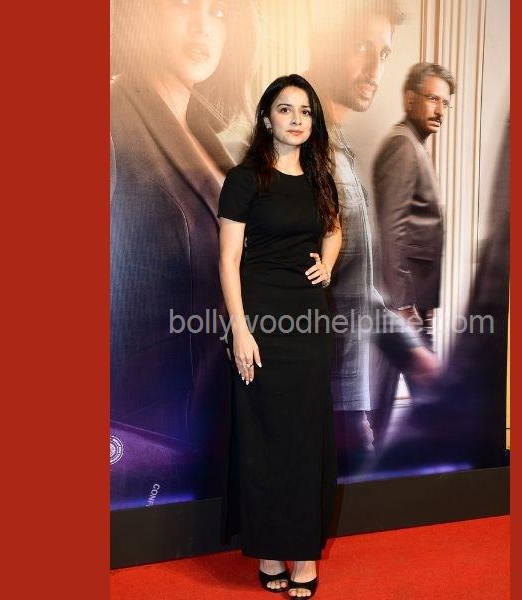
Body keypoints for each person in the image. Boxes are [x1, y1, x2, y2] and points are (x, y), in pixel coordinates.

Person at [109, 0, 257, 507]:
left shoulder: (209, 138)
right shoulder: (110, 118)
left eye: (219, 12)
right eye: (183, 4)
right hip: (144, 436)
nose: (202, 26)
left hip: (212, 423)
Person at [217, 74, 341, 599]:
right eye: (286, 109)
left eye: (305, 111)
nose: (296, 119)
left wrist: (327, 265)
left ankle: (305, 555)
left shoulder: (319, 179)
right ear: (267, 118)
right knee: (264, 437)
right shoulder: (245, 179)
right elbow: (228, 260)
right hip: (260, 323)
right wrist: (240, 330)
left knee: (306, 438)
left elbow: (334, 230)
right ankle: (269, 551)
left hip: (309, 324)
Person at [304, 0, 439, 464]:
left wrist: (412, 353)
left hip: (346, 402)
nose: (374, 69)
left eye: (383, 54)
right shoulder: (296, 145)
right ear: (324, 40)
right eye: (361, 46)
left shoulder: (334, 146)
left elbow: (353, 286)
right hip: (323, 410)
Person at [372, 62, 456, 403]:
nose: (440, 110)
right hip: (406, 306)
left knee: (413, 395)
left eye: (445, 102)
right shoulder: (403, 146)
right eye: (432, 99)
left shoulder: (414, 144)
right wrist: (404, 304)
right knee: (423, 395)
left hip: (418, 303)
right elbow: (391, 229)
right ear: (410, 99)